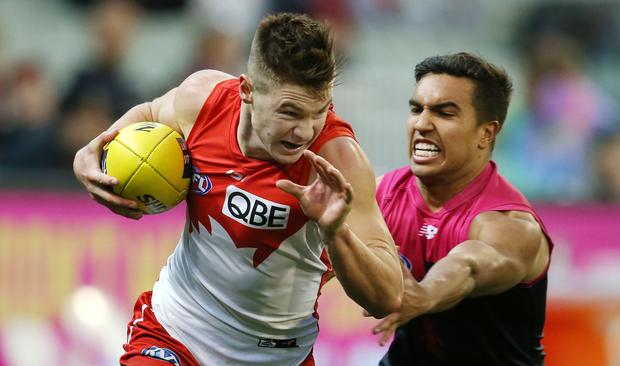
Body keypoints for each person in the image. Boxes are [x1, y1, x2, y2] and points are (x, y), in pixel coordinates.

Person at [73, 13, 403, 366]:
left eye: (319, 111)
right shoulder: (202, 101)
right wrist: (89, 155)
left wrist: (335, 232)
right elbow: (151, 111)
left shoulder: (337, 162)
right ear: (246, 90)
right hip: (176, 332)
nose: (304, 131)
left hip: (277, 358)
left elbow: (387, 296)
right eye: (289, 112)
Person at [371, 53, 552, 365]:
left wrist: (426, 295)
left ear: (486, 133)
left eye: (444, 113)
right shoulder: (382, 194)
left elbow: (467, 265)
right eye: (416, 109)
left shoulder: (509, 223)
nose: (422, 123)